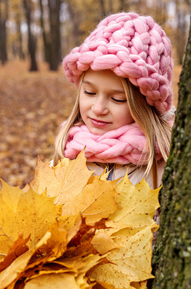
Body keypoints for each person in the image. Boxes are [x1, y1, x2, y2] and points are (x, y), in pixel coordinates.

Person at [53, 11, 175, 190]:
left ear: (146, 104)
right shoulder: (66, 149)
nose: (99, 108)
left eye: (118, 99)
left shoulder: (162, 166)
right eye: (89, 92)